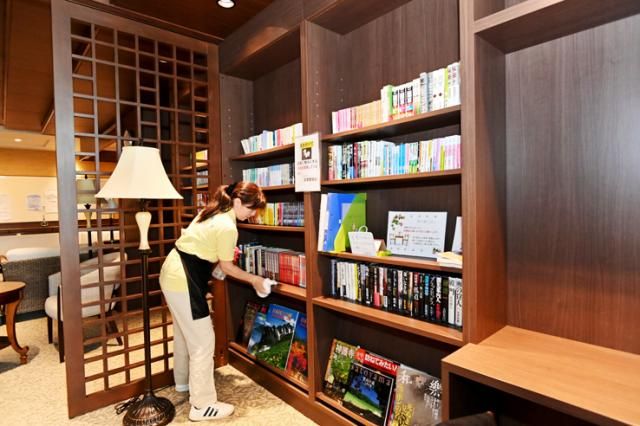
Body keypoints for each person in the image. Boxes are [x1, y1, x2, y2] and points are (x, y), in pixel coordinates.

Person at [159, 181, 275, 421]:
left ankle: (183, 382)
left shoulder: (212, 211)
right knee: (203, 341)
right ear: (237, 201)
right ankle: (202, 405)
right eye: (251, 208)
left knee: (184, 332)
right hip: (184, 279)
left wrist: (225, 261)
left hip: (172, 272)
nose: (253, 214)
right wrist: (255, 280)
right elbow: (227, 267)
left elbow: (208, 254)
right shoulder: (228, 226)